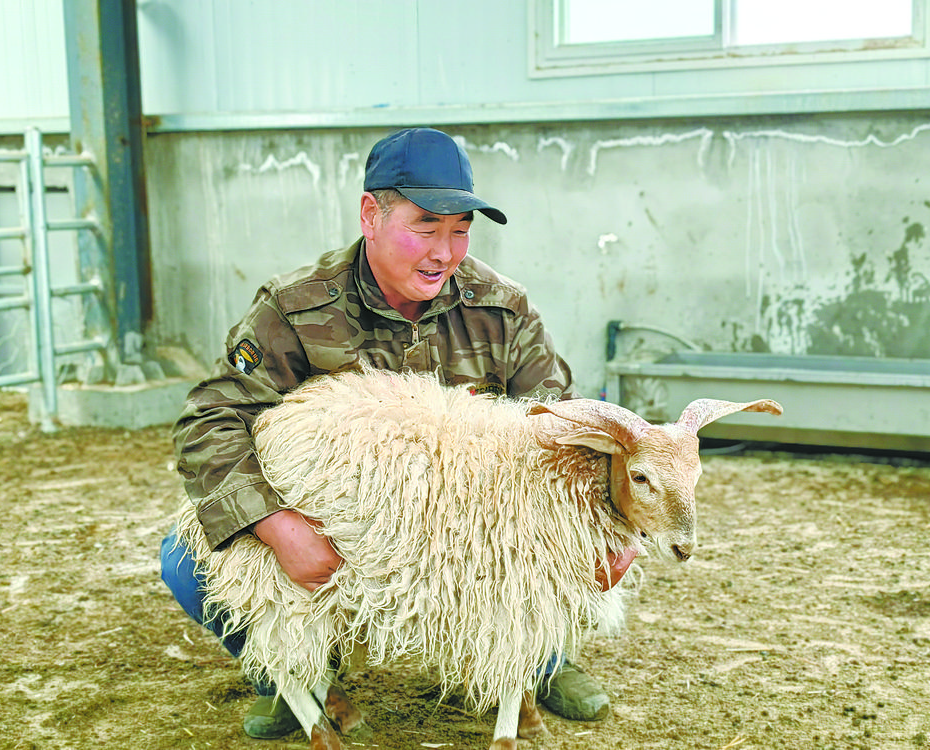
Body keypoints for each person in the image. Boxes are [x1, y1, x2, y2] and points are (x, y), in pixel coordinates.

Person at [160, 127, 633, 739]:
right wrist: (275, 526)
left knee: (561, 549)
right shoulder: (296, 309)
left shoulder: (501, 309)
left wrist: (611, 523)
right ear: (371, 215)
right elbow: (212, 419)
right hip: (351, 531)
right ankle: (298, 671)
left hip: (473, 535)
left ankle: (534, 663)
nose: (444, 252)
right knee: (186, 561)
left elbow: (563, 423)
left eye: (460, 230)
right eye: (425, 227)